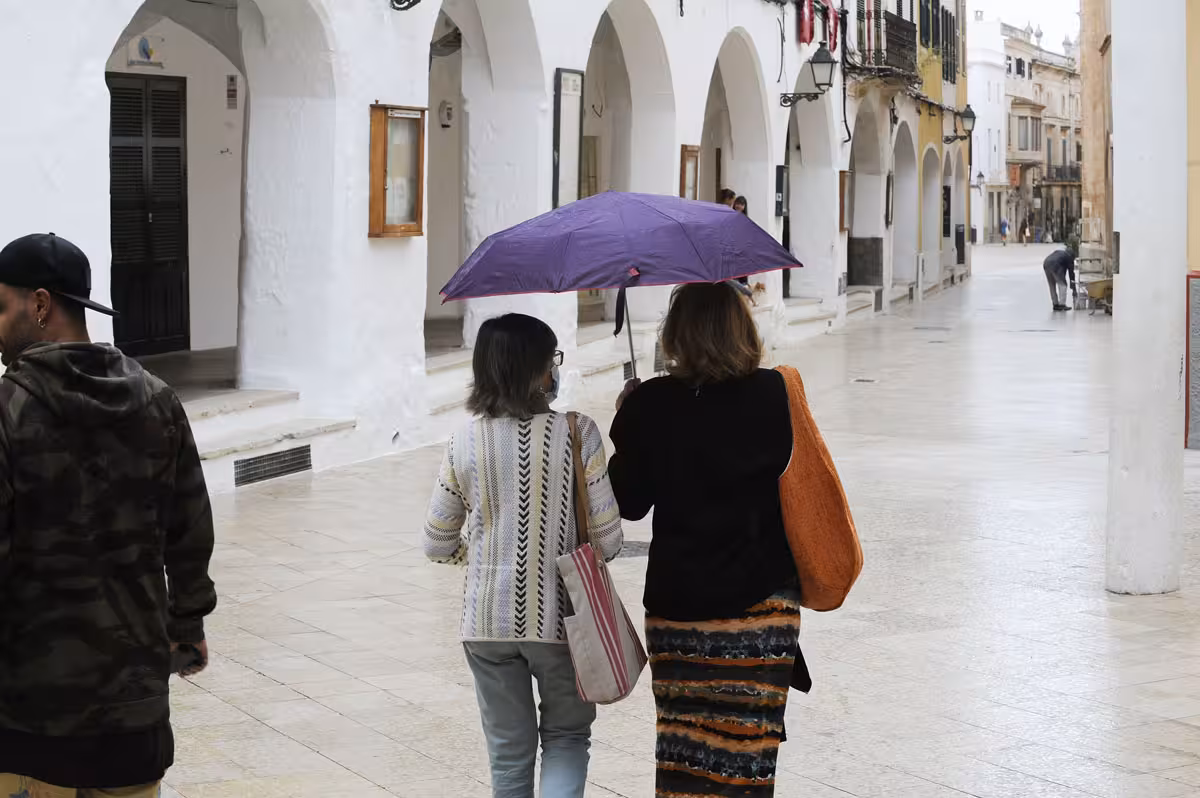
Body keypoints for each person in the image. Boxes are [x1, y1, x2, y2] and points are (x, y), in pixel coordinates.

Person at [0, 233, 216, 797]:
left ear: (40, 304)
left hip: (31, 716)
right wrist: (188, 624)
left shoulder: (8, 413)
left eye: (0, 307)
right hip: (133, 713)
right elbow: (189, 529)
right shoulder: (159, 400)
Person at [608, 283, 801, 797]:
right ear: (742, 329)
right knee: (747, 754)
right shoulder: (773, 391)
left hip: (679, 607)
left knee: (682, 748)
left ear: (677, 333)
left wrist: (629, 422)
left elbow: (629, 503)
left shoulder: (650, 404)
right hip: (760, 607)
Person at [424, 313, 623, 798]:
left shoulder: (464, 441)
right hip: (563, 625)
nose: (555, 370)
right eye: (551, 359)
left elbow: (437, 541)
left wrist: (483, 558)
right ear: (535, 370)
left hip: (486, 625)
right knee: (567, 737)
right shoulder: (579, 433)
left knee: (509, 755)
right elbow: (610, 541)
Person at [1044, 237, 1079, 312]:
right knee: (1063, 284)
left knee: (1052, 285)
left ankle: (1055, 304)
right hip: (1055, 264)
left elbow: (1065, 272)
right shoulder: (1069, 257)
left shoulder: (1061, 253)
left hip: (1046, 263)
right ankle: (1062, 304)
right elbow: (1071, 274)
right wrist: (1074, 289)